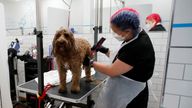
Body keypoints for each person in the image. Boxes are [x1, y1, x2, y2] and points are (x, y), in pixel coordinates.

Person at [84, 7, 155, 108]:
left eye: (115, 32)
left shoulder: (138, 46)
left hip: (131, 95)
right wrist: (105, 50)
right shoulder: (136, 34)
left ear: (127, 31)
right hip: (126, 87)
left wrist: (90, 63)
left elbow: (112, 70)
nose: (114, 34)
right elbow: (123, 58)